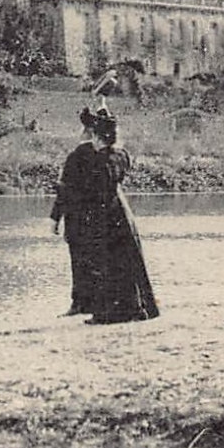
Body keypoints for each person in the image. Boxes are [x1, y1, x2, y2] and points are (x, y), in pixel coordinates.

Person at [60, 110, 160, 325]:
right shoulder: (121, 155)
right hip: (121, 213)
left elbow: (89, 186)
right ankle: (137, 308)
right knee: (127, 262)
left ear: (97, 137)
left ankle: (110, 313)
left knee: (106, 263)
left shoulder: (99, 160)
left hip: (104, 216)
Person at [50, 107, 103, 316]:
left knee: (78, 260)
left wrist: (55, 219)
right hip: (99, 217)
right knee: (96, 259)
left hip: (77, 218)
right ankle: (96, 301)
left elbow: (64, 190)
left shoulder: (75, 157)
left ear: (85, 131)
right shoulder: (103, 156)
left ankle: (80, 302)